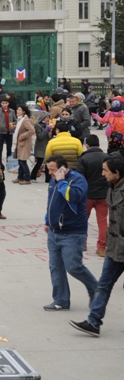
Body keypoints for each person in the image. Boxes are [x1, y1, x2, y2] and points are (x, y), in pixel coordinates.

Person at [70, 156, 124, 337]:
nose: (102, 174)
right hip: (114, 247)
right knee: (104, 285)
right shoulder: (111, 187)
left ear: (117, 173)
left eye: (105, 170)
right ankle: (93, 321)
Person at [43, 155, 97, 311]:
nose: (50, 173)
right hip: (54, 231)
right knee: (55, 267)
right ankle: (60, 299)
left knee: (73, 266)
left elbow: (73, 196)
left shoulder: (77, 180)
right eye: (49, 170)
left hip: (72, 232)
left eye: (53, 170)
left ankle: (96, 288)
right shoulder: (54, 180)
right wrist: (48, 220)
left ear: (63, 168)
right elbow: (51, 201)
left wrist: (61, 181)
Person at [76, 135, 109, 257]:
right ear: (99, 145)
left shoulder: (84, 158)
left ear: (87, 145)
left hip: (87, 195)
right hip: (104, 195)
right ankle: (101, 247)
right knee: (102, 221)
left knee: (83, 219)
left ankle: (83, 243)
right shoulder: (107, 157)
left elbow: (80, 178)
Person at [12, 105, 35, 183]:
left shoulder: (25, 120)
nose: (17, 111)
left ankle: (27, 178)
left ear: (24, 111)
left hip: (24, 143)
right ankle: (20, 177)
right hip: (20, 143)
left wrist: (23, 136)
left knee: (22, 161)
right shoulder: (20, 119)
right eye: (17, 109)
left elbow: (32, 130)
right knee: (20, 161)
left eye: (19, 110)